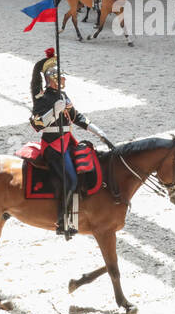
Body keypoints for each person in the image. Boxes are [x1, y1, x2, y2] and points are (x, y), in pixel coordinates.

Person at [28, 48, 112, 239]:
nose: (64, 80)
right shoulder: (43, 99)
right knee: (71, 180)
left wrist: (98, 132)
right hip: (53, 145)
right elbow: (38, 123)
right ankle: (62, 220)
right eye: (61, 77)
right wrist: (54, 112)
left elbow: (75, 116)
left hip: (68, 142)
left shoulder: (63, 96)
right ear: (52, 79)